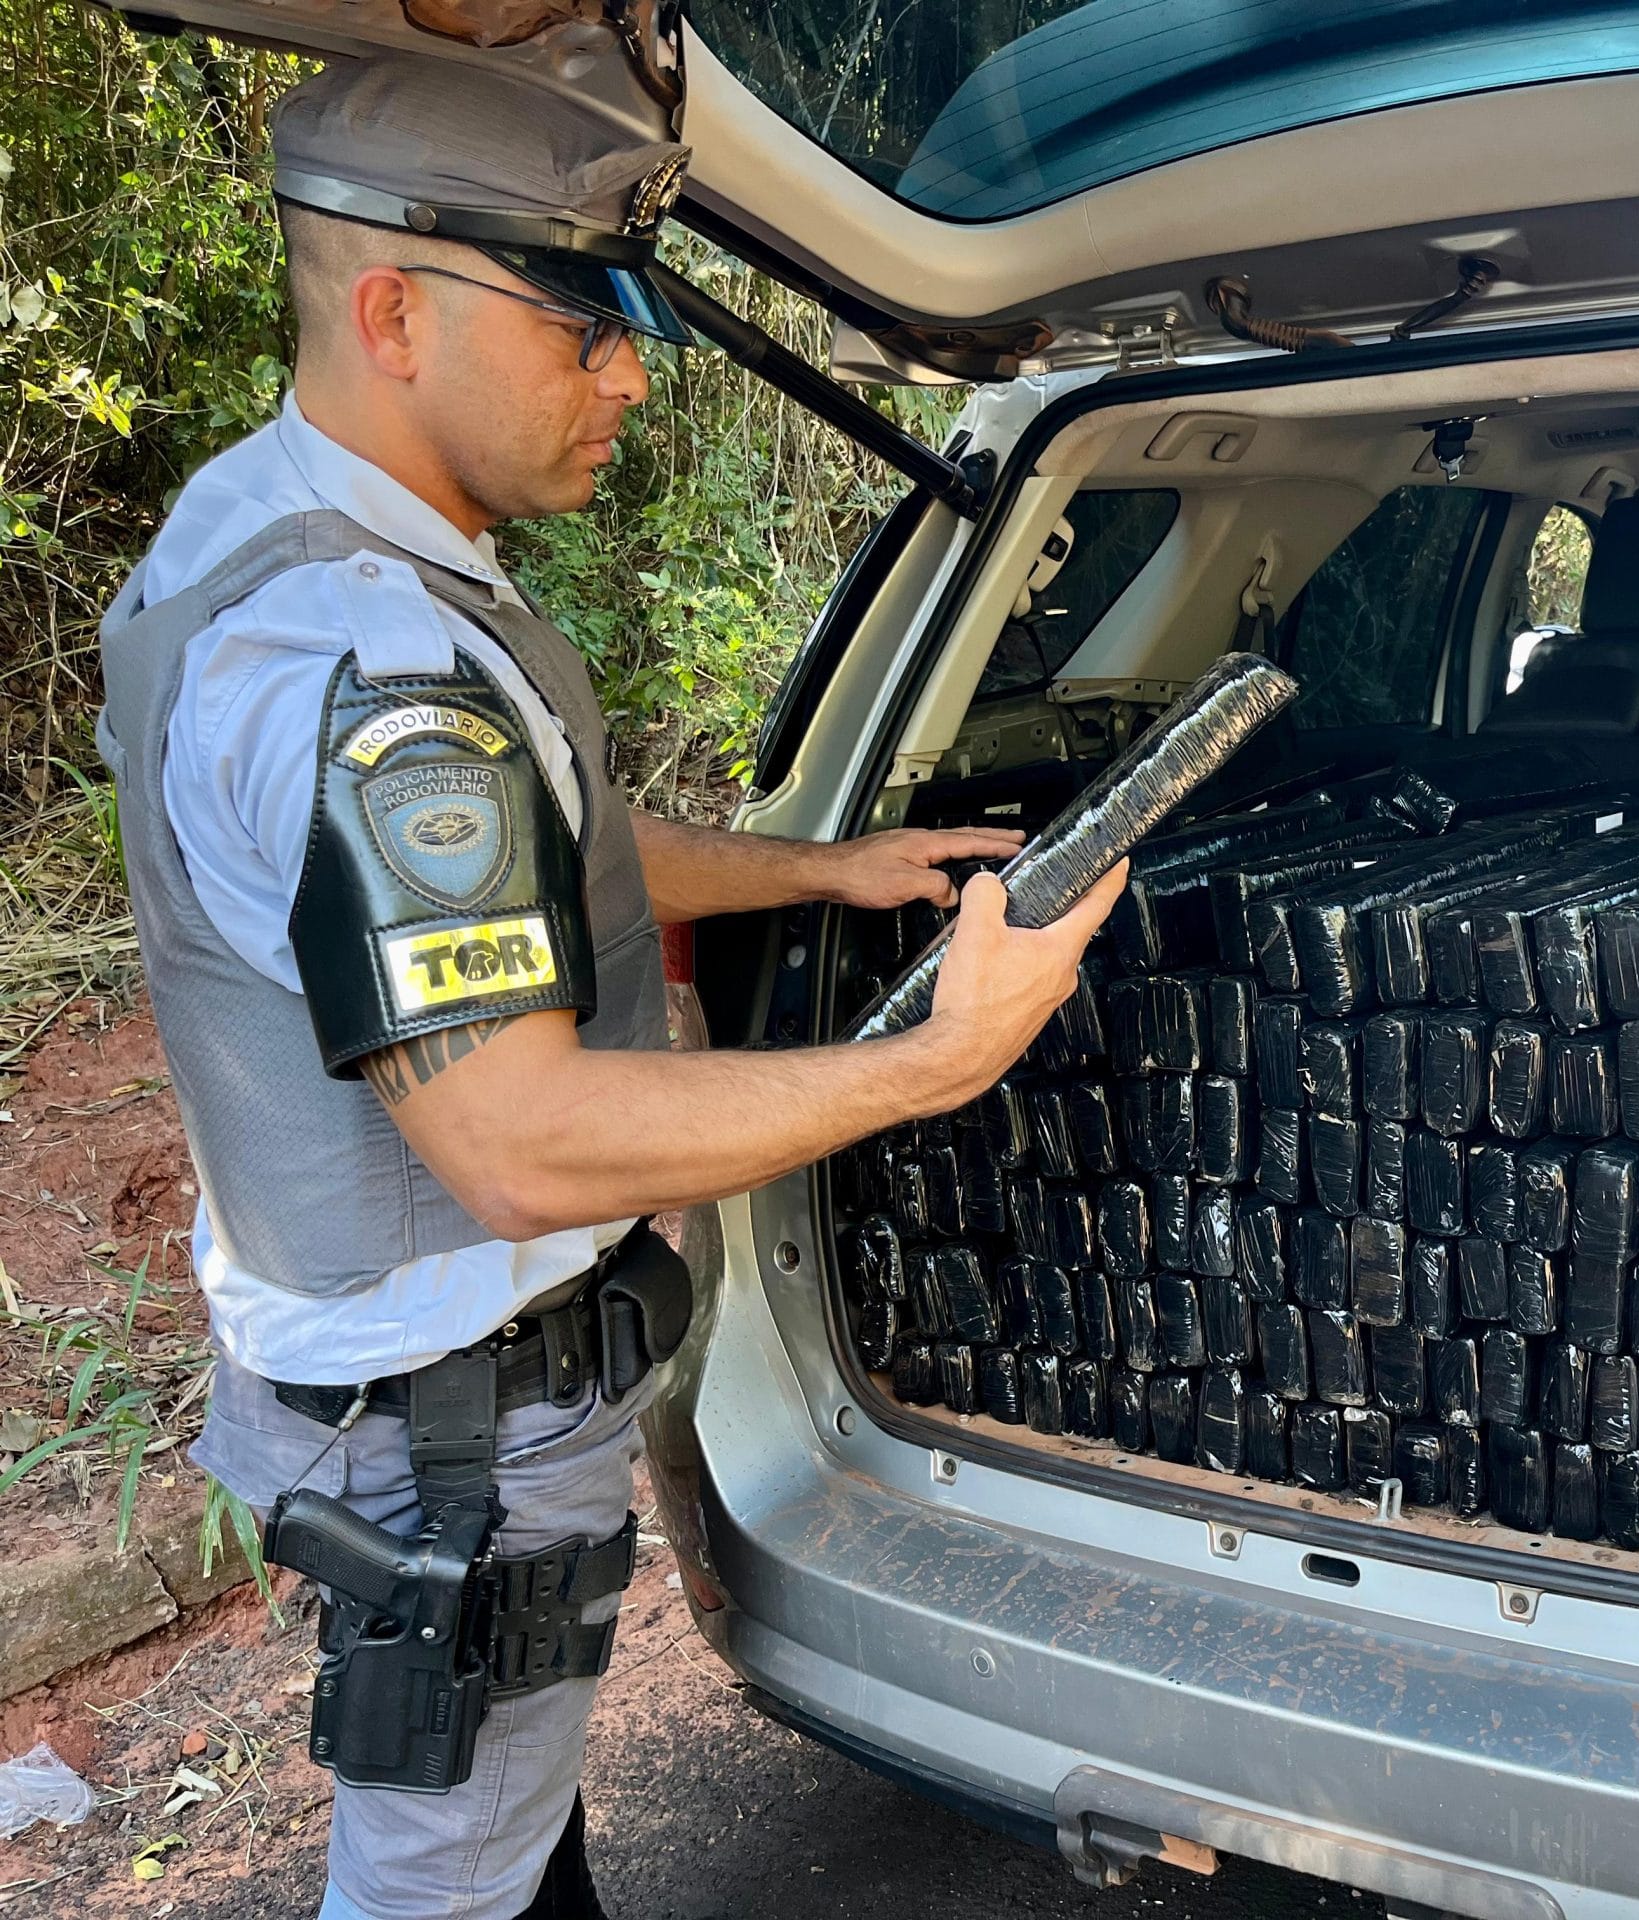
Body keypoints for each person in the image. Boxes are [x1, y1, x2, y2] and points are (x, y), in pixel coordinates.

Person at [94, 54, 1124, 1920]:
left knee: (500, 1829)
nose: (632, 376)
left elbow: (539, 852)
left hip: (372, 1392)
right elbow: (516, 1137)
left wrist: (820, 867)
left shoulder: (255, 542)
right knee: (440, 1883)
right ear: (395, 310)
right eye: (583, 327)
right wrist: (939, 1058)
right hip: (449, 1441)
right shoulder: (376, 670)